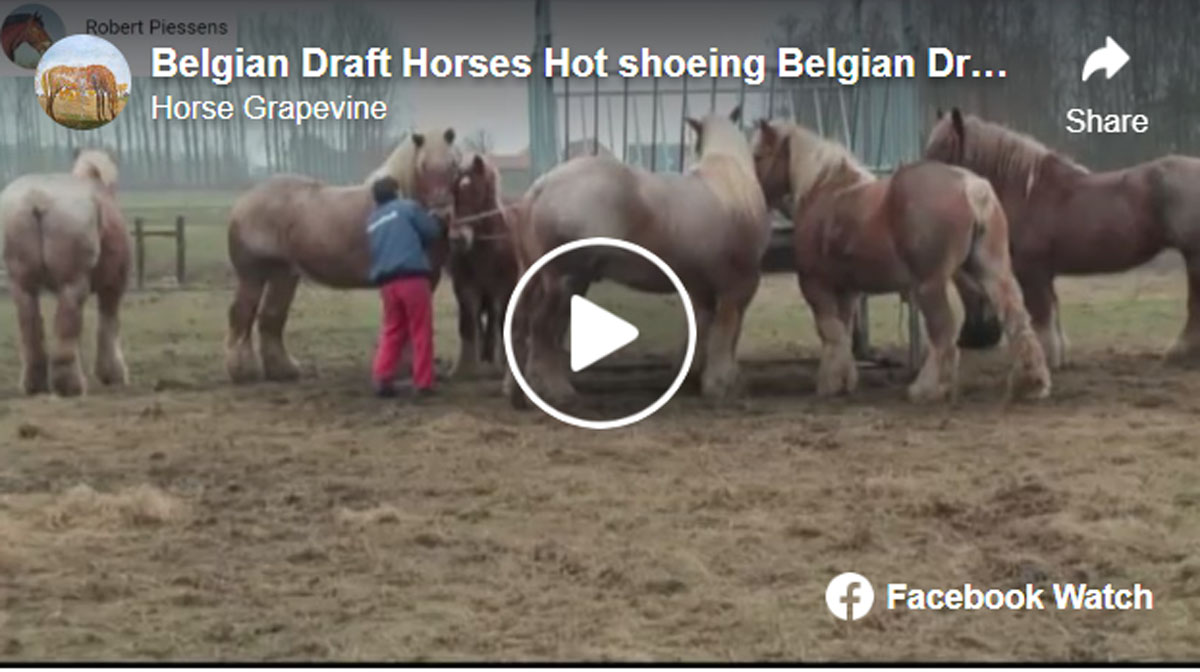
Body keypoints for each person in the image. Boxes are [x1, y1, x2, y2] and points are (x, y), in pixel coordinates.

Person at [366, 176, 442, 398]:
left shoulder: (372, 221)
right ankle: (424, 382)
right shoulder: (407, 208)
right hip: (412, 278)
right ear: (397, 193)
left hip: (387, 284)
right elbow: (431, 232)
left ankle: (382, 377)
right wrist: (436, 219)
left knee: (392, 330)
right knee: (420, 330)